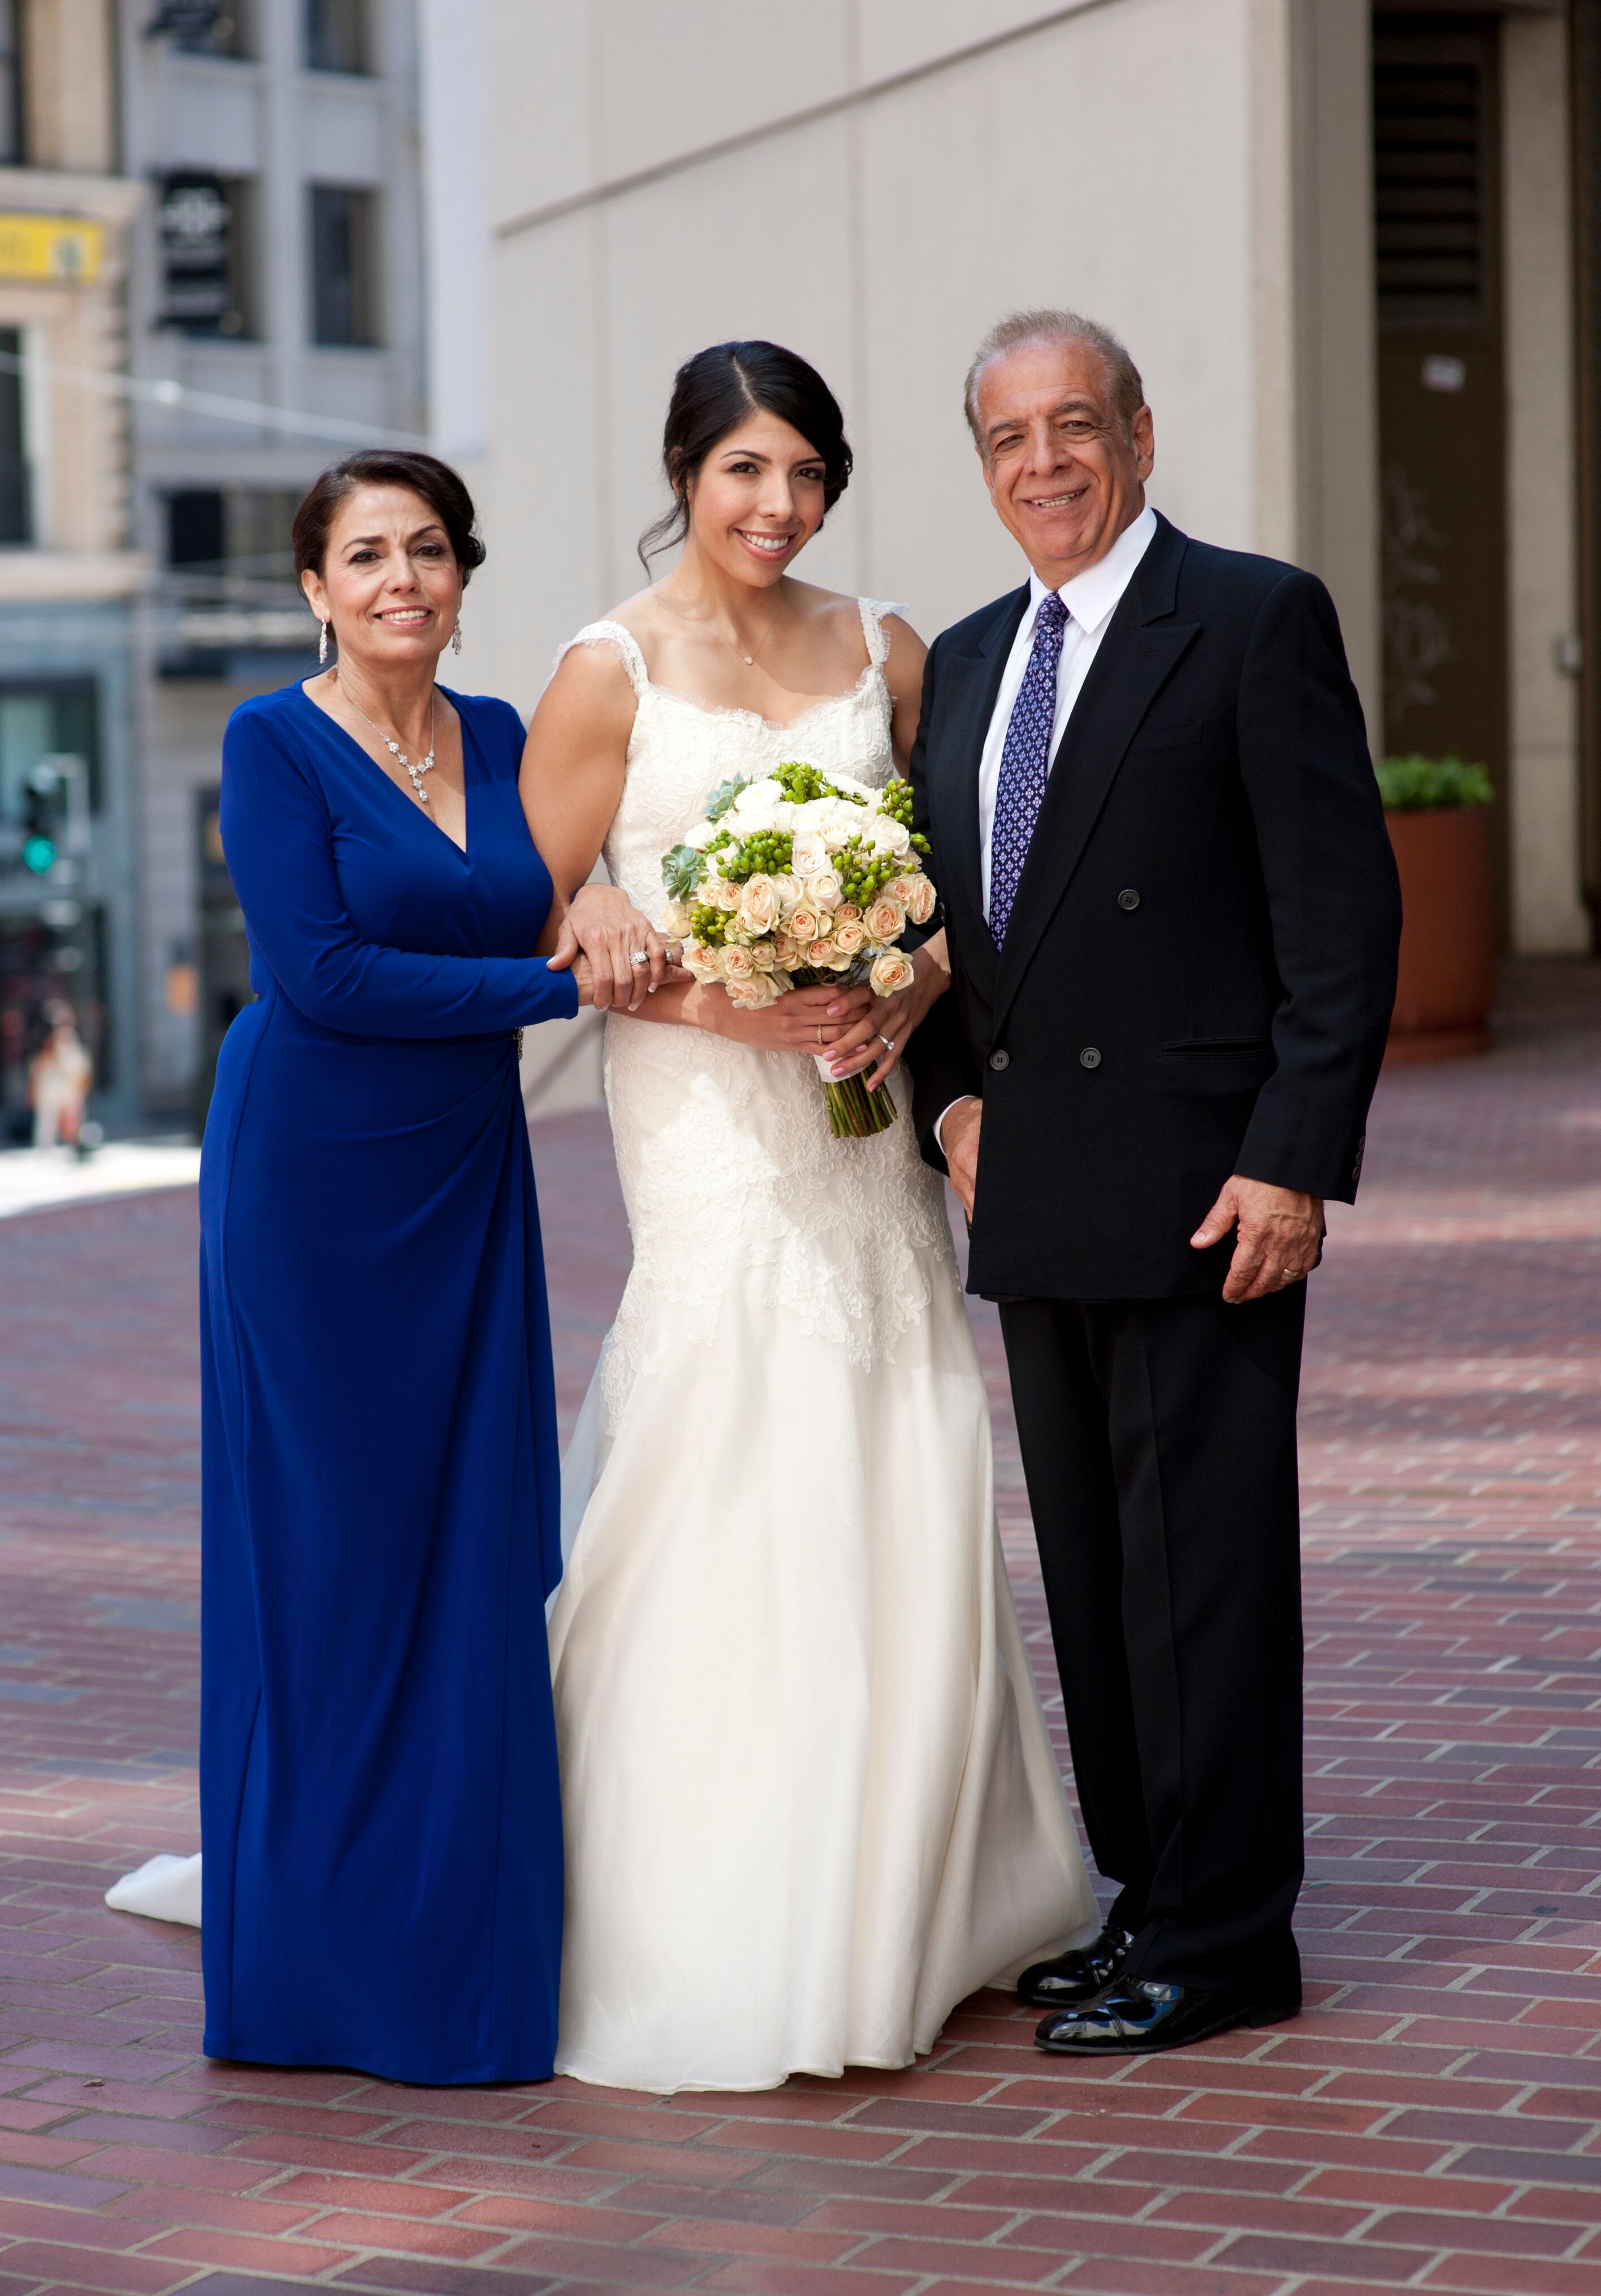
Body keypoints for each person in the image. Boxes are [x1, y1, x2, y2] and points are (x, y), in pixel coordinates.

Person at [521, 339, 1097, 2094]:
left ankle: (925, 1893)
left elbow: (968, 889)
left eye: (804, 475)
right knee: (720, 1443)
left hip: (865, 1123)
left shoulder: (885, 647)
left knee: (895, 1434)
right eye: (743, 472)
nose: (776, 507)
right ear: (683, 474)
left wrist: (906, 987)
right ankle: (706, 1897)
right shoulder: (605, 669)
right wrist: (706, 993)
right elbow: (529, 913)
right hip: (705, 1120)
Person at [907, 310, 1402, 2057]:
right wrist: (948, 1106)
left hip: (1204, 1185)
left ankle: (1226, 1928)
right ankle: (1143, 1892)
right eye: (1005, 437)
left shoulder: (1252, 617)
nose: (1041, 462)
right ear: (978, 465)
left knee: (1201, 1568)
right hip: (1034, 1182)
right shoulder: (965, 659)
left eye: (1071, 425)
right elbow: (944, 938)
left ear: (1134, 430)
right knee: (1098, 1569)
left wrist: (1292, 1156)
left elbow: (1337, 917)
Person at [106, 451, 592, 2085]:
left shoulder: (513, 737)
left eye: (431, 549)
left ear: (464, 573)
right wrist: (556, 997)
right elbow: (323, 977)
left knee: (468, 1542)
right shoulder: (270, 742)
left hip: (464, 1175)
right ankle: (310, 1970)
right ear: (314, 587)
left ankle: (452, 1949)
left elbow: (565, 911)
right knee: (326, 1554)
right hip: (312, 1187)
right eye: (366, 554)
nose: (403, 578)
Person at [28, 1002, 92, 1150]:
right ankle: (46, 1150)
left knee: (74, 1120)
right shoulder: (48, 1041)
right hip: (51, 1088)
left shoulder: (72, 1040)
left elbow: (79, 1066)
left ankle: (76, 1147)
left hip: (69, 1088)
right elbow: (41, 1066)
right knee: (47, 1122)